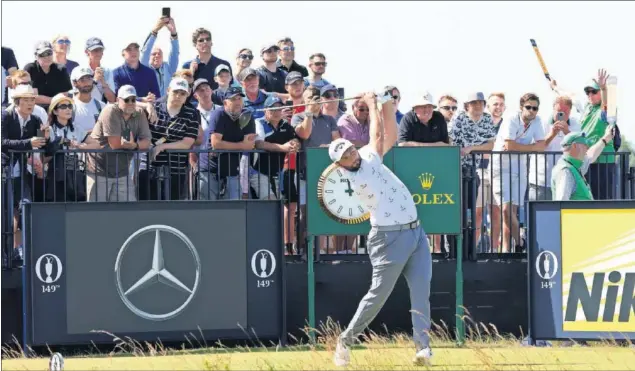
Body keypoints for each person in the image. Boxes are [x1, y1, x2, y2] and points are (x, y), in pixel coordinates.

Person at [330, 92, 433, 367]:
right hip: (389, 238)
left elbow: (385, 137)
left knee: (421, 292)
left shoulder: (366, 156)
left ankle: (423, 349)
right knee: (377, 296)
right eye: (345, 156)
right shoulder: (355, 177)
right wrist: (373, 104)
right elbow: (377, 137)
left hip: (416, 233)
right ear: (340, 165)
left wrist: (384, 103)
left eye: (350, 149)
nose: (351, 155)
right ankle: (346, 340)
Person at [43, 94, 99, 202]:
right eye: (63, 107)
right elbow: (44, 158)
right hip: (56, 175)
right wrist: (60, 143)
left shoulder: (77, 128)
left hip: (75, 173)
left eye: (69, 106)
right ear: (55, 111)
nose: (68, 109)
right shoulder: (48, 130)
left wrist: (81, 147)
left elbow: (97, 144)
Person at [551, 127, 615, 201]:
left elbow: (591, 155)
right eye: (584, 144)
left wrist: (605, 139)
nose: (587, 147)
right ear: (574, 146)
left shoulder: (574, 166)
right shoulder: (565, 171)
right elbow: (562, 202)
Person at [140, 16, 180, 98]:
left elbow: (175, 53)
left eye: (159, 54)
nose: (157, 56)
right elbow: (145, 51)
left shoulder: (169, 69)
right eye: (154, 54)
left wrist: (173, 33)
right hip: (150, 105)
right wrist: (155, 31)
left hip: (165, 107)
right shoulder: (144, 68)